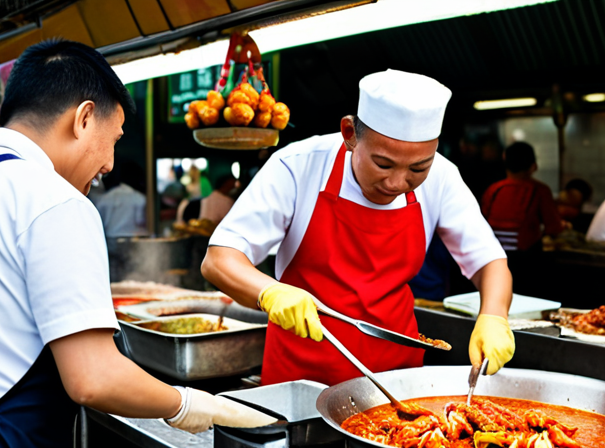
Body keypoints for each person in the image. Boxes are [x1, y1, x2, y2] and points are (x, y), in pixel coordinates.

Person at [0, 40, 274, 448]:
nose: (108, 164)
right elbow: (93, 377)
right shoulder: (54, 201)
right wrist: (185, 404)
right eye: (114, 140)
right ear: (84, 118)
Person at [202, 69, 514, 386]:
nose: (396, 183)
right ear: (349, 133)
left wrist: (493, 316)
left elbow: (489, 263)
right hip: (303, 376)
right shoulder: (298, 165)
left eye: (418, 168)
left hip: (397, 378)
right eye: (383, 164)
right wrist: (268, 292)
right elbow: (219, 259)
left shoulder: (443, 177)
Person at [481, 142, 565, 253]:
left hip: (493, 253)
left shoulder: (493, 189)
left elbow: (482, 220)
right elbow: (553, 227)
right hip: (524, 255)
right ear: (534, 166)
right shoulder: (540, 190)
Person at [96, 161, 149, 238]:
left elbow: (99, 222)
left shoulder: (105, 198)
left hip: (109, 239)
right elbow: (140, 221)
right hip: (132, 240)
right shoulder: (139, 198)